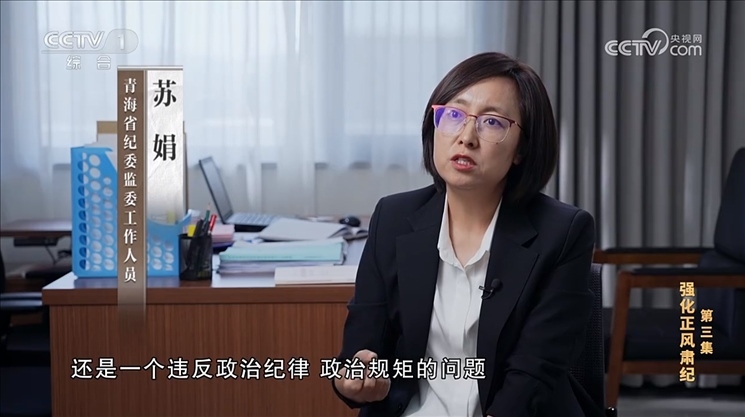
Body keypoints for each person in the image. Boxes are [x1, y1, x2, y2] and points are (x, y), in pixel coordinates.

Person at [332, 52, 602, 417]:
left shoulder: (564, 232)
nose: (466, 137)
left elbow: (534, 372)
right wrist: (356, 378)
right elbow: (361, 347)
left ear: (521, 149)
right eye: (454, 115)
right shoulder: (393, 218)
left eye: (492, 122)